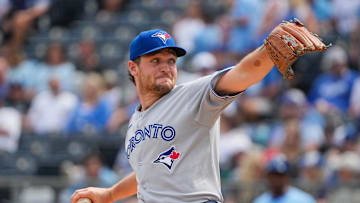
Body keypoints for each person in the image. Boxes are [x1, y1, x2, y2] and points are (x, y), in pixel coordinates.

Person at [70, 27, 316, 203]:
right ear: (133, 68)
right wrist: (111, 194)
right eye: (155, 60)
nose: (166, 66)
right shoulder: (135, 121)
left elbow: (242, 74)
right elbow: (149, 173)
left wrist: (266, 52)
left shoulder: (192, 96)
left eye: (171, 60)